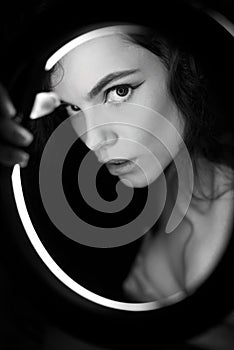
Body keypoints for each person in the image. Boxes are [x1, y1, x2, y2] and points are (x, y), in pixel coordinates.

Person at [1, 22, 234, 306]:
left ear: (184, 68)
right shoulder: (180, 178)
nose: (92, 139)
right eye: (73, 108)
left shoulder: (216, 238)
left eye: (118, 91)